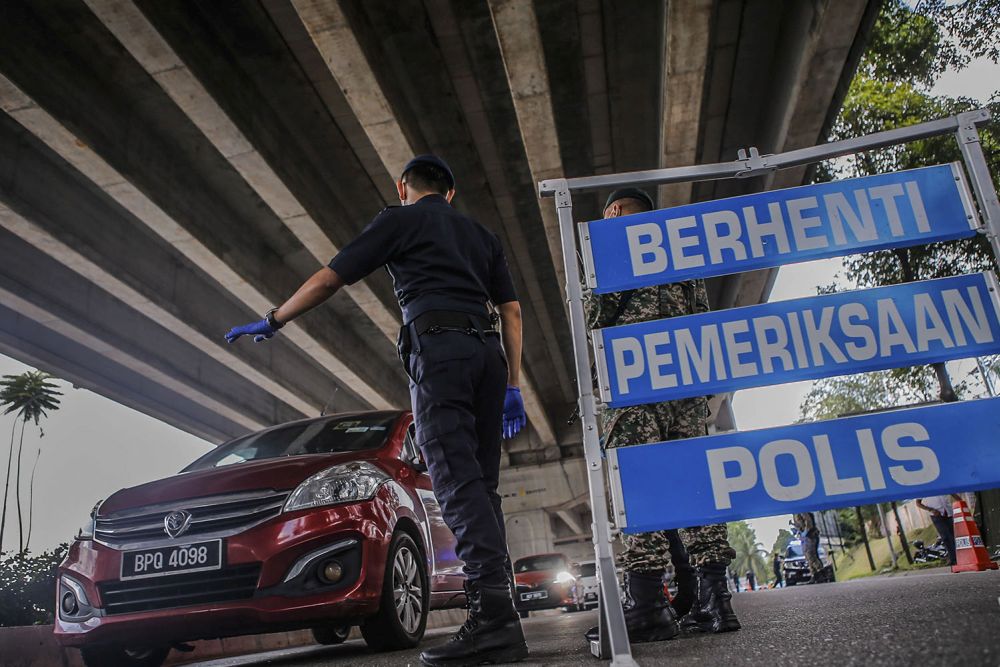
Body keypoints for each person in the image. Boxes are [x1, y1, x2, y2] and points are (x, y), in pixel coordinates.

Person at [224, 155, 529, 667]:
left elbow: (329, 279)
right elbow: (512, 311)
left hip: (440, 354)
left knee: (453, 481)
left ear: (403, 186)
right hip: (489, 357)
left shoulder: (399, 218)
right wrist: (513, 385)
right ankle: (502, 615)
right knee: (483, 487)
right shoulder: (482, 234)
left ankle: (494, 623)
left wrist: (272, 321)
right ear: (450, 193)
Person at [583, 188, 741, 644]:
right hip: (685, 387)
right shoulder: (678, 256)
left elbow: (596, 319)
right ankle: (716, 602)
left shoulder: (612, 249)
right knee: (697, 488)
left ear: (614, 212)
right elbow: (703, 320)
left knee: (640, 486)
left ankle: (649, 605)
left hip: (634, 388)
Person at [917, 494, 960, 565]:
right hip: (936, 515)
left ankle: (960, 556)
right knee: (945, 537)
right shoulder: (924, 487)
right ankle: (953, 558)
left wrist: (961, 502)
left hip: (948, 512)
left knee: (954, 535)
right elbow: (918, 503)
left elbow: (953, 493)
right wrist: (930, 509)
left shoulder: (941, 484)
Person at [793, 512, 823, 582]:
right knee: (808, 556)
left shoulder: (802, 511)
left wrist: (806, 532)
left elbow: (808, 522)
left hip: (810, 536)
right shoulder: (795, 513)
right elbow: (800, 525)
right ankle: (814, 575)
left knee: (811, 556)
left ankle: (821, 572)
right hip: (805, 537)